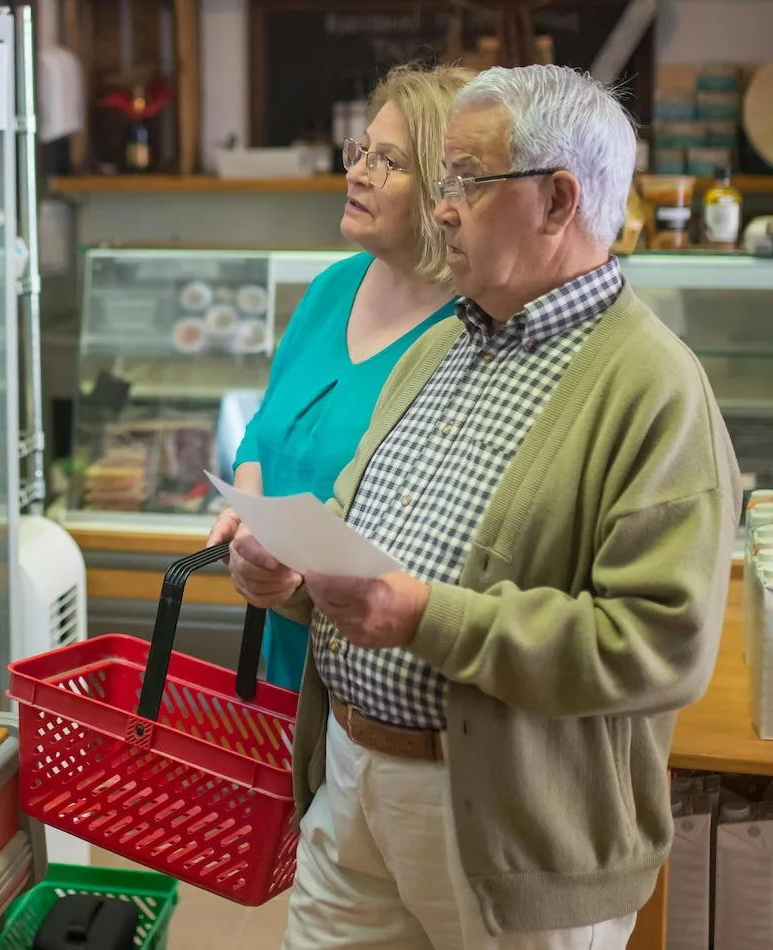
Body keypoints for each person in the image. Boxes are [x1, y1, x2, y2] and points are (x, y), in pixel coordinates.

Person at [228, 65, 739, 948]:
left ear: (557, 200)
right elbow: (354, 531)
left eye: (467, 180)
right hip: (350, 784)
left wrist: (428, 617)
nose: (442, 207)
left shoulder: (653, 386)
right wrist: (290, 572)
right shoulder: (441, 350)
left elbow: (661, 646)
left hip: (510, 832)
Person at [207, 64, 472, 690]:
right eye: (361, 152)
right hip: (287, 659)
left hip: (388, 676)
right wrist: (250, 524)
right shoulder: (333, 287)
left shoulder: (472, 327)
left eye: (389, 162)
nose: (355, 173)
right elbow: (265, 430)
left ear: (448, 189)